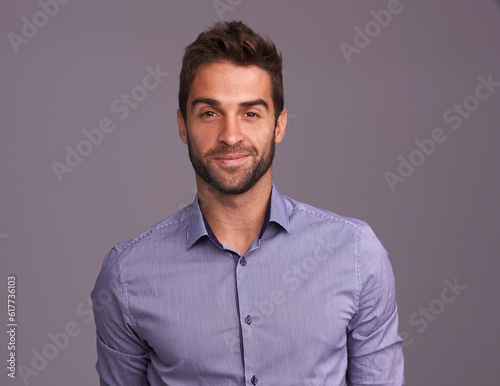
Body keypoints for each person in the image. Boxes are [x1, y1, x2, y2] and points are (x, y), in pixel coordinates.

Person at [91, 20, 404, 385]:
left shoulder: (355, 255)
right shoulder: (128, 275)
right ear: (182, 125)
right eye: (210, 113)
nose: (230, 135)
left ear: (279, 125)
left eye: (250, 113)